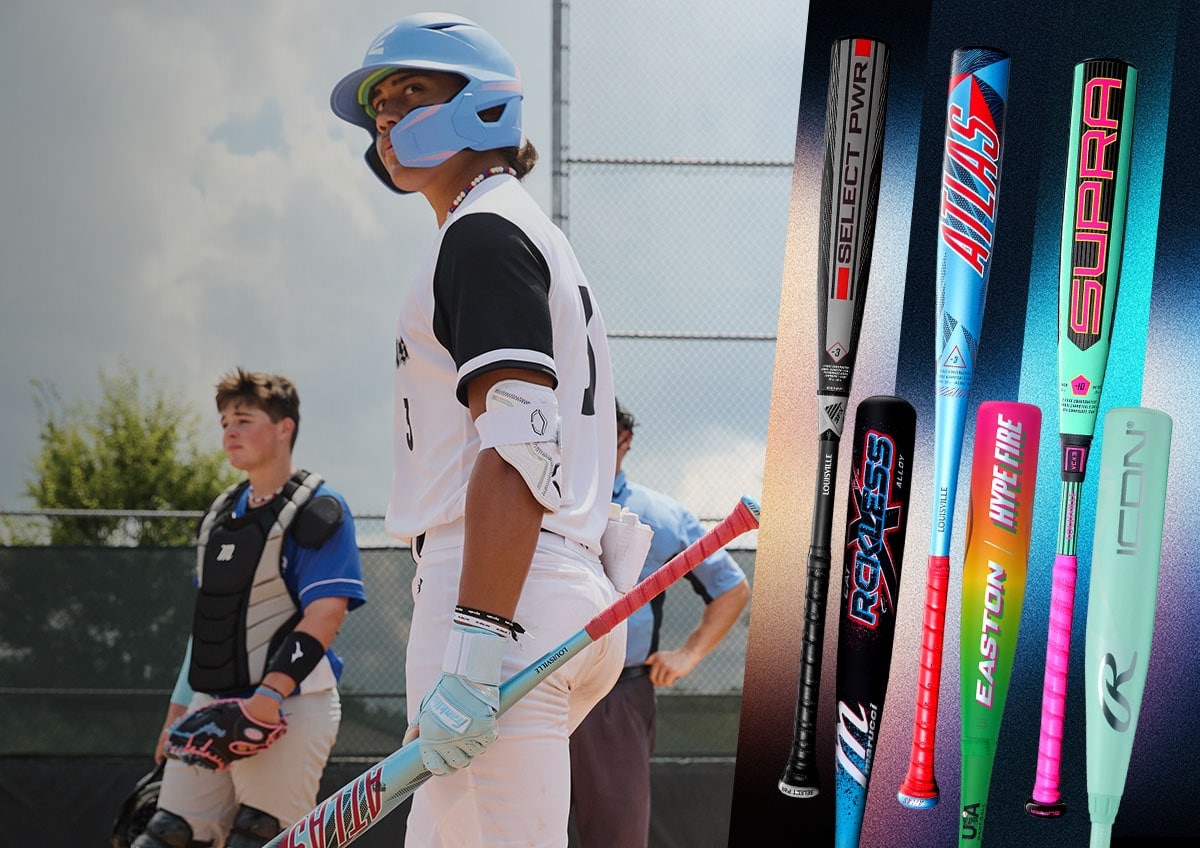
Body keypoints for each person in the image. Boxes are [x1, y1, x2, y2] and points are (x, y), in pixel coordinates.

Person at [329, 12, 625, 848]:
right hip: (533, 586)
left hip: (501, 592)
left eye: (411, 90)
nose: (387, 116)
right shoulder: (509, 225)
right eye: (379, 104)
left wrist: (476, 646)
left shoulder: (484, 231)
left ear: (483, 104)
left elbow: (519, 443)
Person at [134, 368, 366, 848]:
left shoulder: (318, 508)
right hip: (212, 703)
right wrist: (177, 713)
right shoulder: (220, 514)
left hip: (290, 704)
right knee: (167, 836)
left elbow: (325, 614)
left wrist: (268, 697)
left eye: (243, 419)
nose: (229, 432)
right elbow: (209, 625)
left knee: (261, 837)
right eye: (223, 423)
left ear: (285, 428)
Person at [569, 399, 751, 847]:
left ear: (624, 441)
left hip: (616, 697)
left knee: (616, 837)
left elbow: (731, 587)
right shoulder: (536, 503)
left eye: (600, 435)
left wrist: (688, 653)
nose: (585, 444)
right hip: (529, 686)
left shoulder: (662, 516)